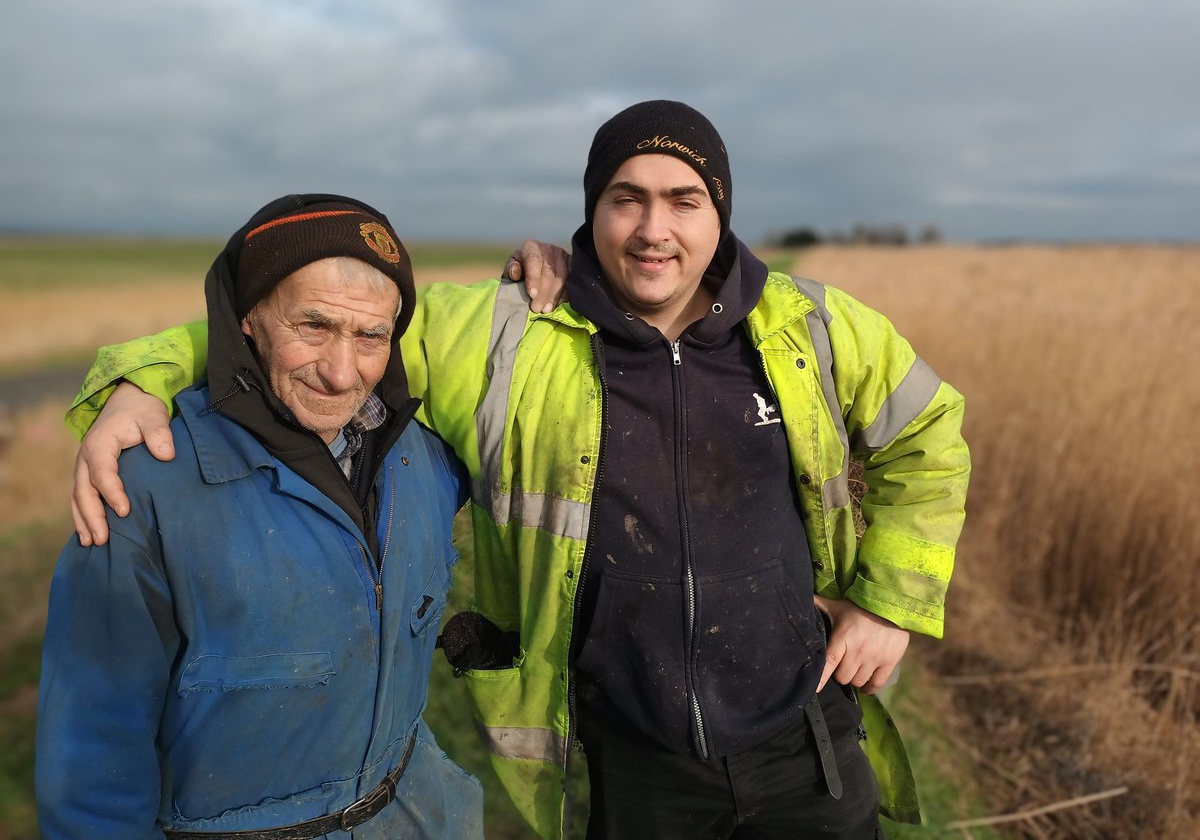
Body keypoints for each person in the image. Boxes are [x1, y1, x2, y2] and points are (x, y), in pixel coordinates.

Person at [66, 102, 971, 839]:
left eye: (683, 198)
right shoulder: (502, 330)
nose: (654, 228)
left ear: (719, 212)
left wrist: (890, 603)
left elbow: (930, 433)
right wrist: (140, 379)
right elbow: (317, 317)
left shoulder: (811, 325)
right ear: (591, 210)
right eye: (626, 198)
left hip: (803, 741)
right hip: (625, 757)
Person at [37, 194, 491, 838]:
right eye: (313, 327)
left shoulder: (424, 460)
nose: (341, 373)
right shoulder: (146, 486)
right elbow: (92, 741)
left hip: (414, 813)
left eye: (371, 336)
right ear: (247, 318)